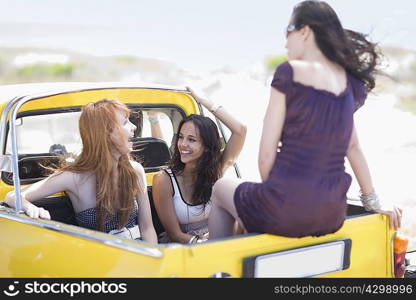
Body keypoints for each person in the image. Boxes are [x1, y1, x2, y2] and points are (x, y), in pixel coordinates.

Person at [208, 0, 402, 239]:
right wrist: (373, 201)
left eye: (288, 32)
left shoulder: (289, 72)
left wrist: (275, 205)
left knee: (219, 188)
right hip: (332, 214)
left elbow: (265, 156)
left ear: (305, 31)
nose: (285, 42)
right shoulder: (347, 82)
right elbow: (354, 148)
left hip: (286, 208)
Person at [5, 99, 158, 244]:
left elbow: (147, 227)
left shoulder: (135, 170)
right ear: (105, 133)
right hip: (95, 260)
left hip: (138, 252)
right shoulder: (74, 177)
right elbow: (13, 196)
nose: (134, 127)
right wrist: (31, 208)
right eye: (125, 122)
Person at [152, 87, 246, 243]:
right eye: (181, 137)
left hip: (216, 242)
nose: (182, 144)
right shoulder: (163, 179)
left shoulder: (217, 170)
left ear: (207, 146)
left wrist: (204, 101)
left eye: (191, 140)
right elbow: (175, 234)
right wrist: (204, 245)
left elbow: (240, 130)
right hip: (184, 247)